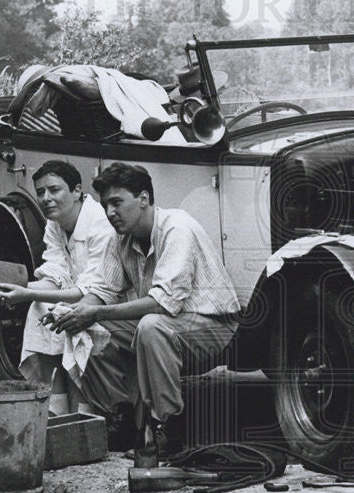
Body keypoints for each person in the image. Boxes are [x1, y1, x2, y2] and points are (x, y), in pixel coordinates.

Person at [52, 162, 240, 457]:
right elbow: (102, 290)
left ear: (143, 198)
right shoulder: (121, 237)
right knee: (85, 326)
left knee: (151, 325)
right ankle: (121, 419)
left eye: (117, 202)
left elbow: (162, 303)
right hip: (166, 323)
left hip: (213, 326)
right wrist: (76, 312)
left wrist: (96, 312)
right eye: (105, 205)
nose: (110, 213)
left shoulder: (177, 228)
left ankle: (168, 431)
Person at [0, 160, 114, 415]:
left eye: (54, 190)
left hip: (107, 299)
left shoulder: (99, 223)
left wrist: (28, 293)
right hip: (79, 294)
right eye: (40, 192)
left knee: (63, 314)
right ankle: (56, 400)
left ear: (77, 191)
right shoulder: (55, 224)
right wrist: (17, 288)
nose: (46, 198)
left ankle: (84, 410)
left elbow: (89, 290)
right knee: (41, 307)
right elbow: (56, 274)